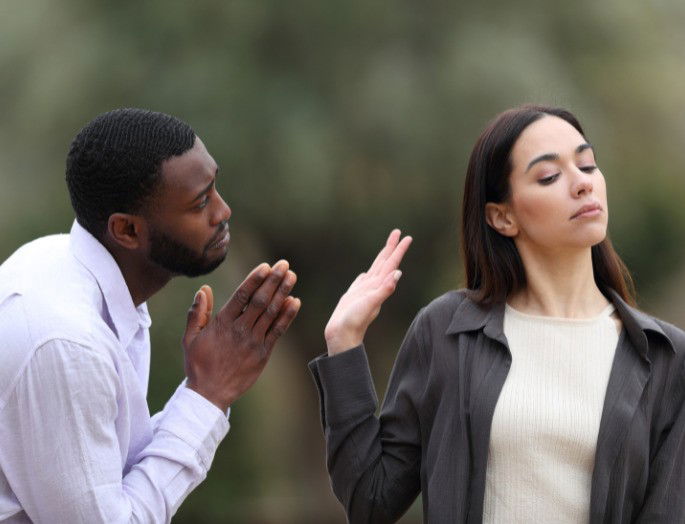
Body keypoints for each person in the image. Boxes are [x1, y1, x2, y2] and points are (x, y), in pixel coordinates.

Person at [310, 105, 685, 523]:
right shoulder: (448, 332)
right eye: (549, 176)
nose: (582, 184)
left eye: (587, 164)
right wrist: (344, 344)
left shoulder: (665, 356)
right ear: (502, 217)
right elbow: (370, 500)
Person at [0, 108, 301, 523]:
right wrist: (208, 395)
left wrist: (202, 391)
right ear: (127, 231)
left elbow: (109, 472)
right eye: (200, 203)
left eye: (215, 188)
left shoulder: (65, 262)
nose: (223, 211)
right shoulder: (67, 343)